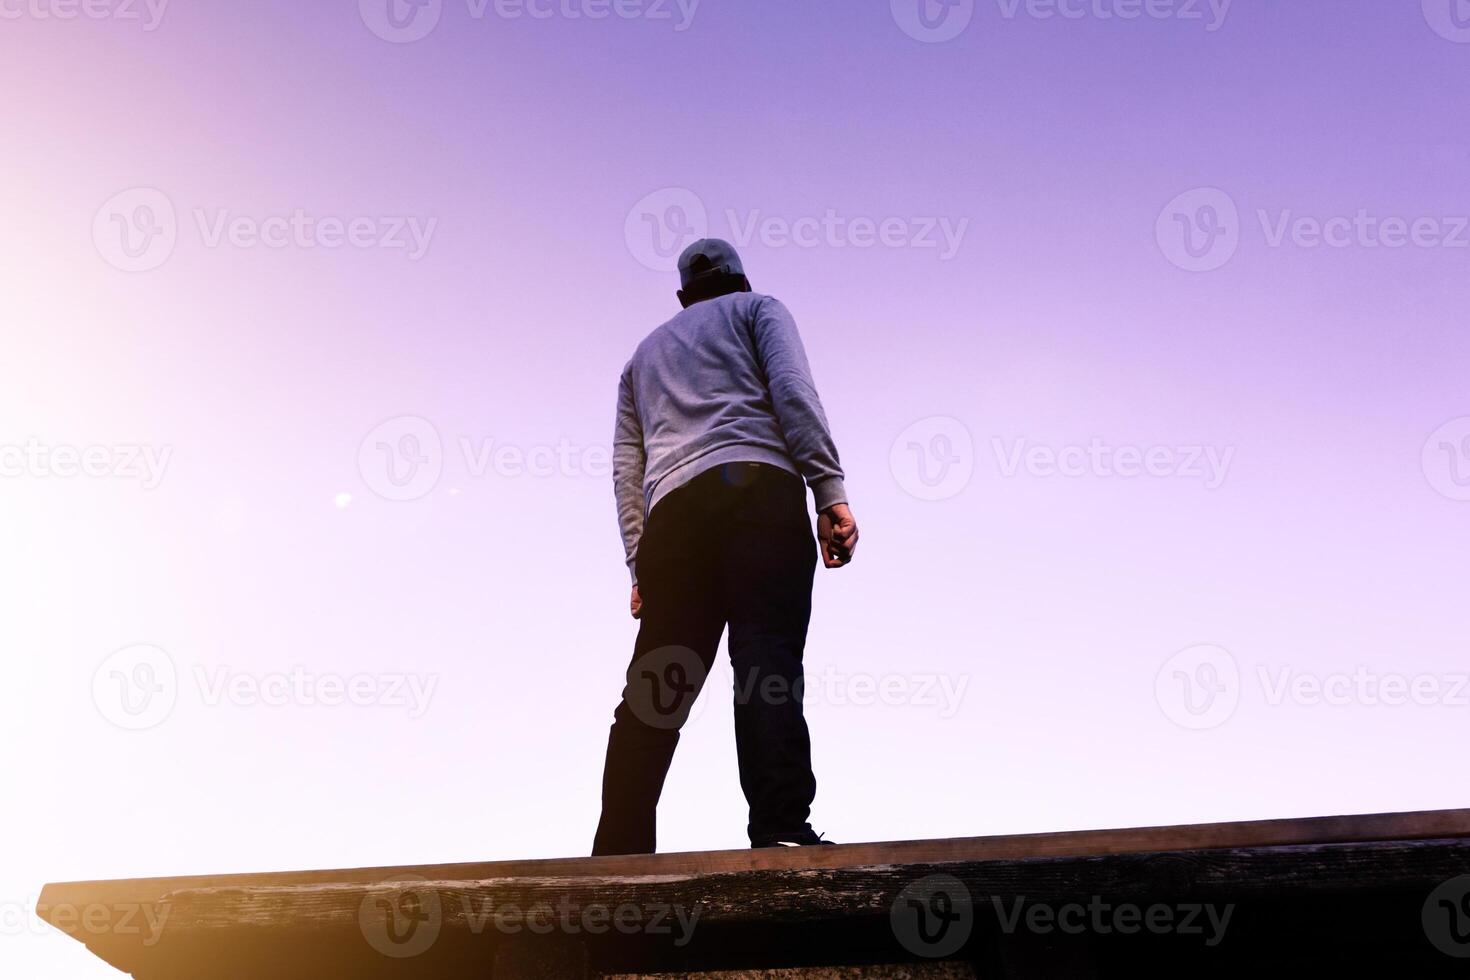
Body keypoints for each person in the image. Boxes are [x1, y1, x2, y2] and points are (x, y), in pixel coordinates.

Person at [592, 238, 859, 856]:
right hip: (759, 493)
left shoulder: (641, 359)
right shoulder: (760, 310)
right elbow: (793, 392)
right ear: (739, 280)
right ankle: (780, 831)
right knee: (766, 665)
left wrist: (638, 562)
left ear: (682, 296)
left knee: (658, 685)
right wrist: (829, 491)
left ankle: (620, 854)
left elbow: (625, 469)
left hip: (673, 518)